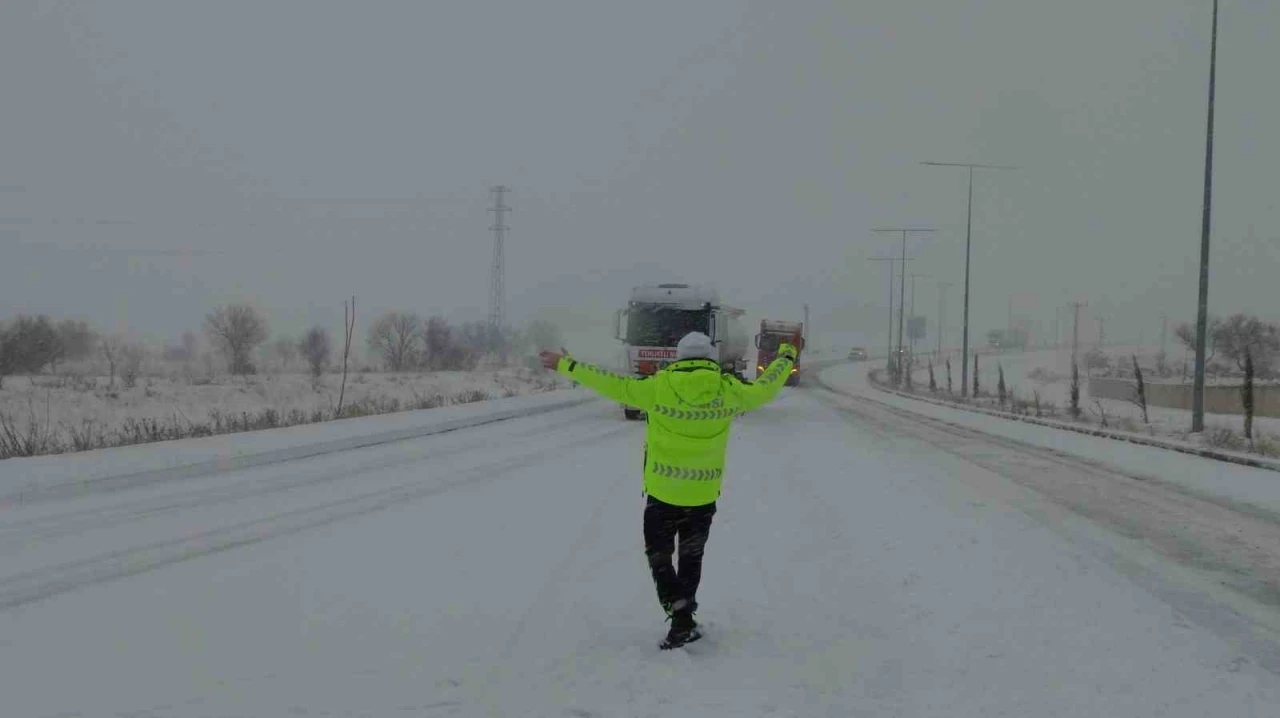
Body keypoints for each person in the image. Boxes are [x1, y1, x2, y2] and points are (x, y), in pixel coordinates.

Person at [539, 331, 798, 649]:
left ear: (679, 358)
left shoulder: (657, 388)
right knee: (692, 558)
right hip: (702, 496)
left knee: (659, 556)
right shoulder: (730, 391)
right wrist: (786, 355)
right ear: (709, 358)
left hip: (662, 494)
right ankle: (683, 617)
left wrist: (566, 364)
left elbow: (608, 381)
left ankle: (679, 612)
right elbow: (767, 386)